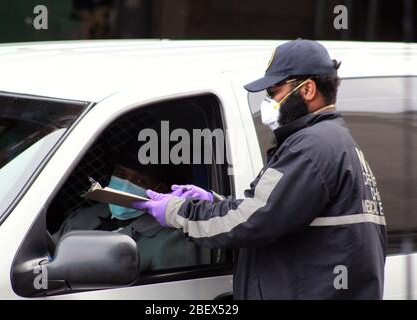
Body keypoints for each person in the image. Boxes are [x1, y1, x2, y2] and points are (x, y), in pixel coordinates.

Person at [134, 39, 387, 299]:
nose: (269, 101)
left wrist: (180, 212)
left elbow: (255, 221)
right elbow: (274, 211)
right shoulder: (332, 141)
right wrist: (213, 201)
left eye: (275, 91)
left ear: (308, 89)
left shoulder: (312, 147)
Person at [53, 151, 210, 272]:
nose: (125, 184)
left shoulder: (171, 239)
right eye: (121, 175)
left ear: (160, 189)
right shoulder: (82, 217)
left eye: (140, 180)